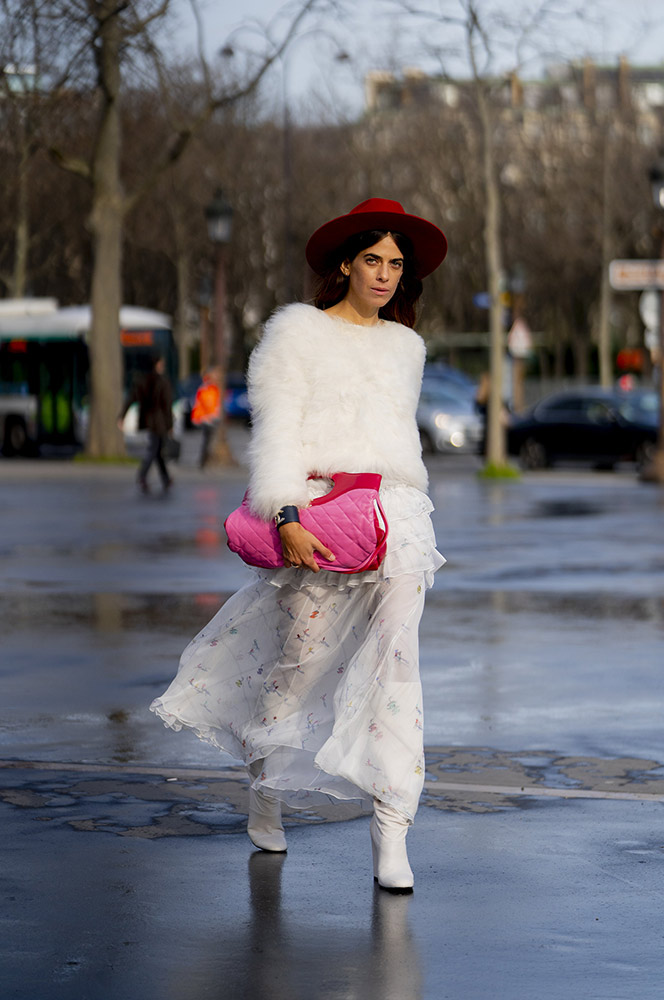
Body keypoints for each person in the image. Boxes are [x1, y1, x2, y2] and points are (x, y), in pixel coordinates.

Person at [150, 198, 448, 892]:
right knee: (300, 664)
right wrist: (284, 513)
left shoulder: (406, 347)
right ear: (344, 263)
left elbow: (395, 440)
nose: (383, 274)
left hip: (398, 517)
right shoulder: (296, 334)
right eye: (372, 260)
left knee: (395, 669)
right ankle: (265, 783)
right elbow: (277, 431)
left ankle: (391, 826)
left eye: (395, 264)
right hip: (316, 514)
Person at [118, 354, 173, 493]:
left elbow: (131, 398)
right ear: (157, 364)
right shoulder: (163, 381)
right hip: (160, 421)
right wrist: (170, 424)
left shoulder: (142, 381)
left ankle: (165, 478)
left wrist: (122, 415)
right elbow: (167, 405)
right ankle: (143, 475)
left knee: (157, 450)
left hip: (148, 420)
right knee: (155, 449)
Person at [190, 366, 222, 468]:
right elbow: (202, 404)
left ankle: (205, 461)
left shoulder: (213, 388)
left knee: (209, 440)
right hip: (206, 418)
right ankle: (203, 461)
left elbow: (215, 404)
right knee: (207, 441)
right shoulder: (206, 389)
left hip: (212, 418)